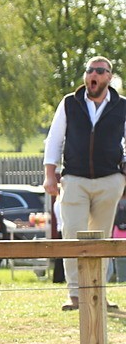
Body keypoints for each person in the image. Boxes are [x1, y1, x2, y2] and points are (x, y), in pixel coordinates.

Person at [42, 55, 126, 311]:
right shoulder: (70, 103)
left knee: (101, 241)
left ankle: (98, 295)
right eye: (90, 70)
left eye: (100, 71)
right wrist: (49, 174)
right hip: (75, 179)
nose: (94, 74)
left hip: (109, 179)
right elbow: (54, 140)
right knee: (73, 234)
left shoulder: (122, 106)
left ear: (109, 77)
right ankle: (76, 295)